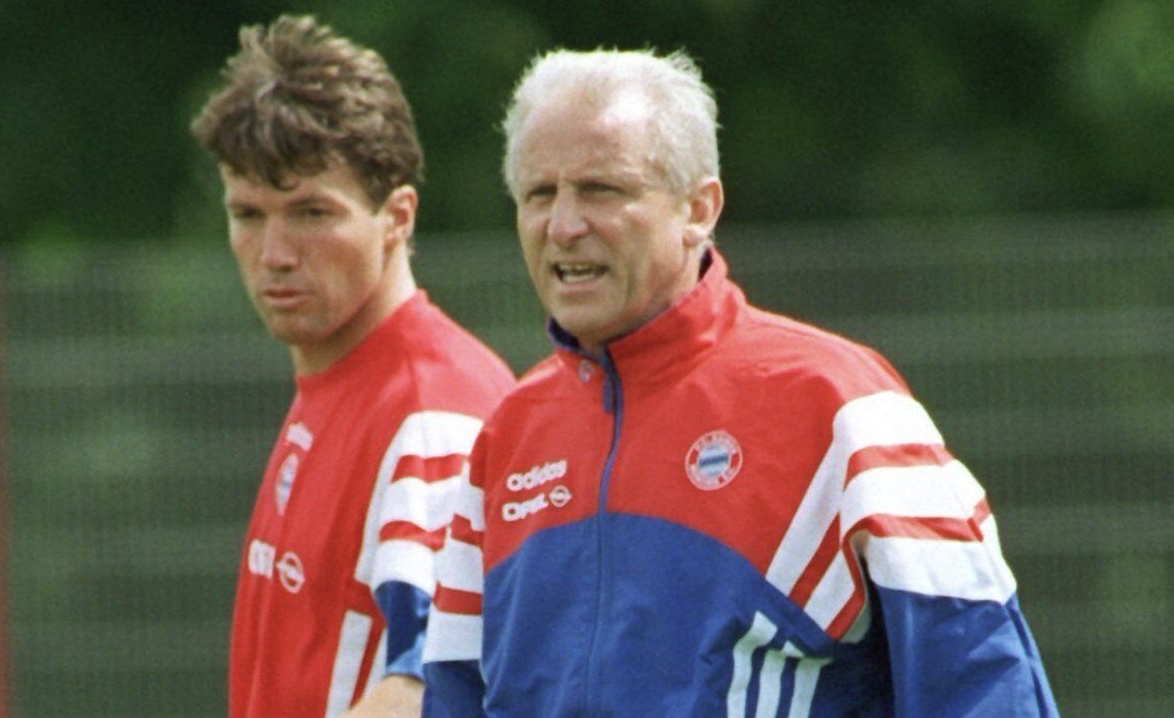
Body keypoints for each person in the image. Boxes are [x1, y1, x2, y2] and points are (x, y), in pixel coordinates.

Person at [421, 48, 1059, 716]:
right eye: (539, 194)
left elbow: (987, 687)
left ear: (699, 208)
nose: (564, 226)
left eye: (602, 190)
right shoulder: (507, 438)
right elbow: (454, 698)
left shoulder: (840, 406)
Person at [190, 15, 515, 718]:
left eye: (312, 213)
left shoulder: (434, 410)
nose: (275, 253)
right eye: (248, 215)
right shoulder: (333, 377)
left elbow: (435, 687)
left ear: (398, 217)